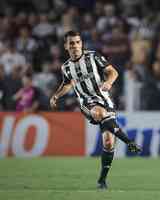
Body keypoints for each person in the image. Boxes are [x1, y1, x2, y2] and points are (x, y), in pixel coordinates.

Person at [50, 30, 141, 190]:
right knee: (99, 113)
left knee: (108, 142)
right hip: (86, 103)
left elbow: (113, 72)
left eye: (78, 42)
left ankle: (102, 180)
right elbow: (68, 84)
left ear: (81, 43)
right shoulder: (66, 67)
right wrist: (56, 96)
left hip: (104, 100)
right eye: (71, 43)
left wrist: (109, 83)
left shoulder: (93, 57)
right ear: (66, 46)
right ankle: (129, 141)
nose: (75, 46)